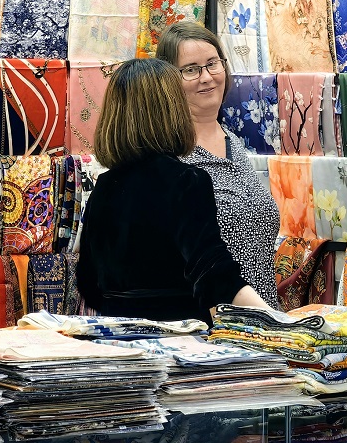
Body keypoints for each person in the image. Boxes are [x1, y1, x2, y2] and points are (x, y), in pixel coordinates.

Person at [76, 57, 271, 324]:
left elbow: (87, 283)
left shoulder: (104, 186)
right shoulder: (186, 182)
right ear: (171, 110)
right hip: (179, 343)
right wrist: (279, 322)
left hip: (118, 343)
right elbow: (214, 272)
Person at [156, 21, 281, 309]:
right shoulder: (170, 156)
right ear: (168, 79)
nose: (206, 77)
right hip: (206, 330)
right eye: (191, 69)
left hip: (262, 322)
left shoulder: (234, 143)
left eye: (213, 64)